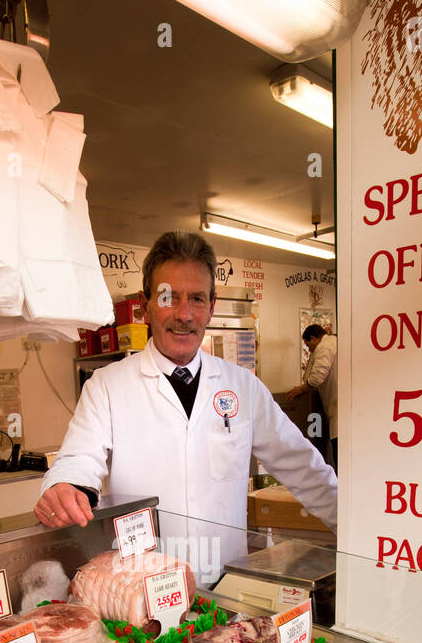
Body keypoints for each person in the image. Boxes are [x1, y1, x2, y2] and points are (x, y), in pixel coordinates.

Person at [34, 231, 337, 571]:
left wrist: (361, 531)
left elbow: (304, 467)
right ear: (145, 304)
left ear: (211, 307)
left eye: (196, 298)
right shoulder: (106, 386)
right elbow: (78, 459)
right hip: (143, 596)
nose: (184, 314)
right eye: (168, 297)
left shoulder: (243, 387)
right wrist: (66, 485)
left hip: (227, 588)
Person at [301, 324, 338, 470]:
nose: (309, 348)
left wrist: (301, 390)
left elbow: (316, 378)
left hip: (337, 404)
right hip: (337, 404)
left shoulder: (324, 347)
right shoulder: (333, 343)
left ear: (315, 338)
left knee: (337, 447)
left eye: (308, 344)